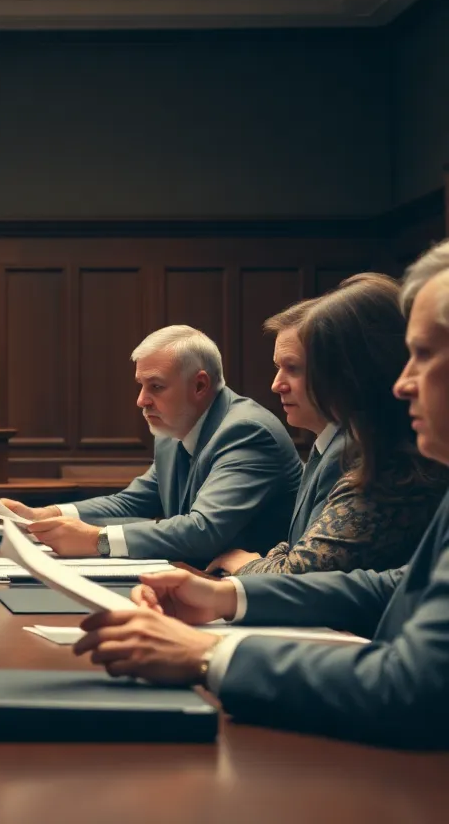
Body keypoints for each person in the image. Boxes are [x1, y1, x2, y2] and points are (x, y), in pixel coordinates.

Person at [72, 240, 449, 749]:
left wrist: (207, 656)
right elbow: (390, 586)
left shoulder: (378, 459)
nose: (404, 384)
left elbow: (412, 685)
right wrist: (227, 595)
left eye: (423, 355)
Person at [209, 274, 449, 575]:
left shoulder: (378, 459)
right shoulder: (346, 445)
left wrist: (250, 567)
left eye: (296, 368)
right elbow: (303, 550)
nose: (276, 385)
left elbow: (304, 573)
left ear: (357, 370)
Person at [2, 326, 302, 564]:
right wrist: (48, 513)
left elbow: (204, 530)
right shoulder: (173, 432)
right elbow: (132, 502)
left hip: (255, 596)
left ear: (199, 385)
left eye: (155, 386)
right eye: (141, 385)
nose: (141, 400)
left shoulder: (246, 431)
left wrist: (99, 540)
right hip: (202, 583)